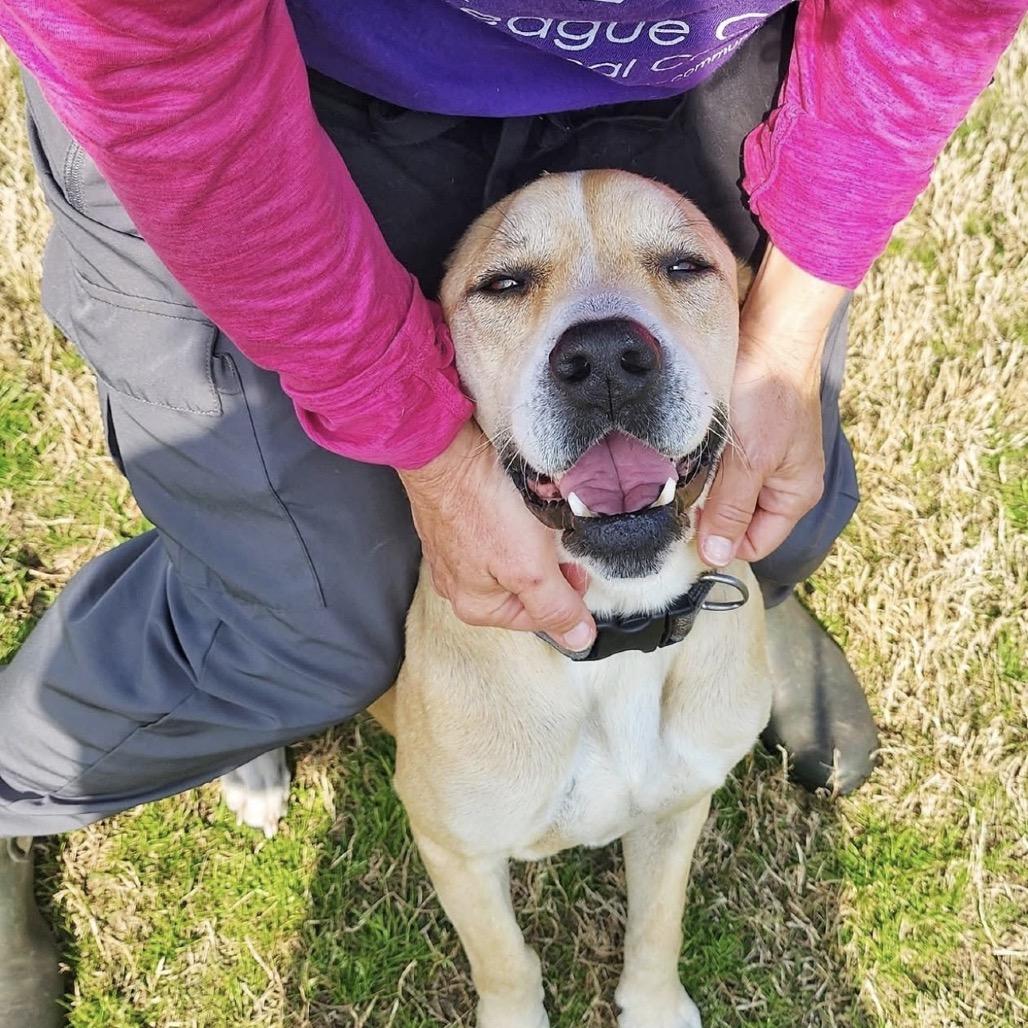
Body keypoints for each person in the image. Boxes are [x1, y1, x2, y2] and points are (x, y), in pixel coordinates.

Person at [0, 1, 1023, 1023]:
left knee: (786, 492)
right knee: (302, 629)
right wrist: (427, 449)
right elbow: (143, 56)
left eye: (677, 268)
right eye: (506, 286)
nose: (602, 342)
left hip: (684, 62)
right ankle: (31, 774)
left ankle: (728, 612)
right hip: (257, 95)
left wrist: (788, 333)